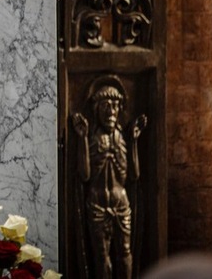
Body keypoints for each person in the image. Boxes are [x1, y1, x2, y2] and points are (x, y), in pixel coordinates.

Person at [71, 76, 147, 279]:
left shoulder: (122, 137)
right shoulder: (93, 138)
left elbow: (134, 175)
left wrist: (134, 142)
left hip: (121, 204)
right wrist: (82, 139)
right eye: (106, 106)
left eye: (115, 106)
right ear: (96, 109)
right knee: (102, 256)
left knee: (125, 253)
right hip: (98, 204)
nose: (111, 112)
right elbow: (85, 175)